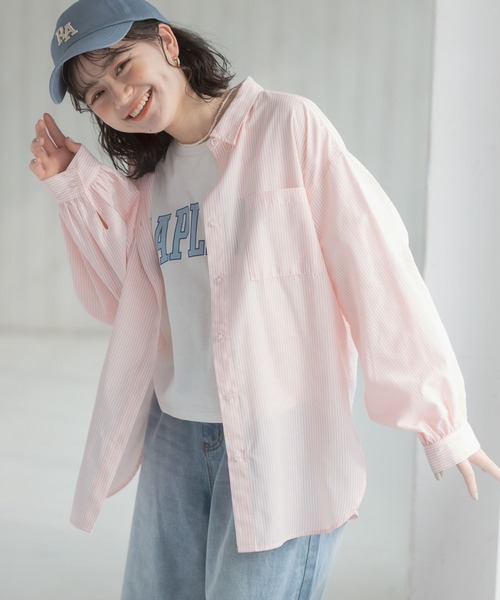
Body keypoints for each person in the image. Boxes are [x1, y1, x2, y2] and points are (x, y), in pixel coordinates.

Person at [29, 0, 500, 598]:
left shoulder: (287, 127)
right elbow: (122, 303)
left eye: (123, 66)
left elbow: (375, 263)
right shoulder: (151, 181)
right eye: (96, 93)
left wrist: (441, 419)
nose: (120, 96)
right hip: (174, 436)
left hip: (282, 443)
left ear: (168, 43)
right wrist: (76, 187)